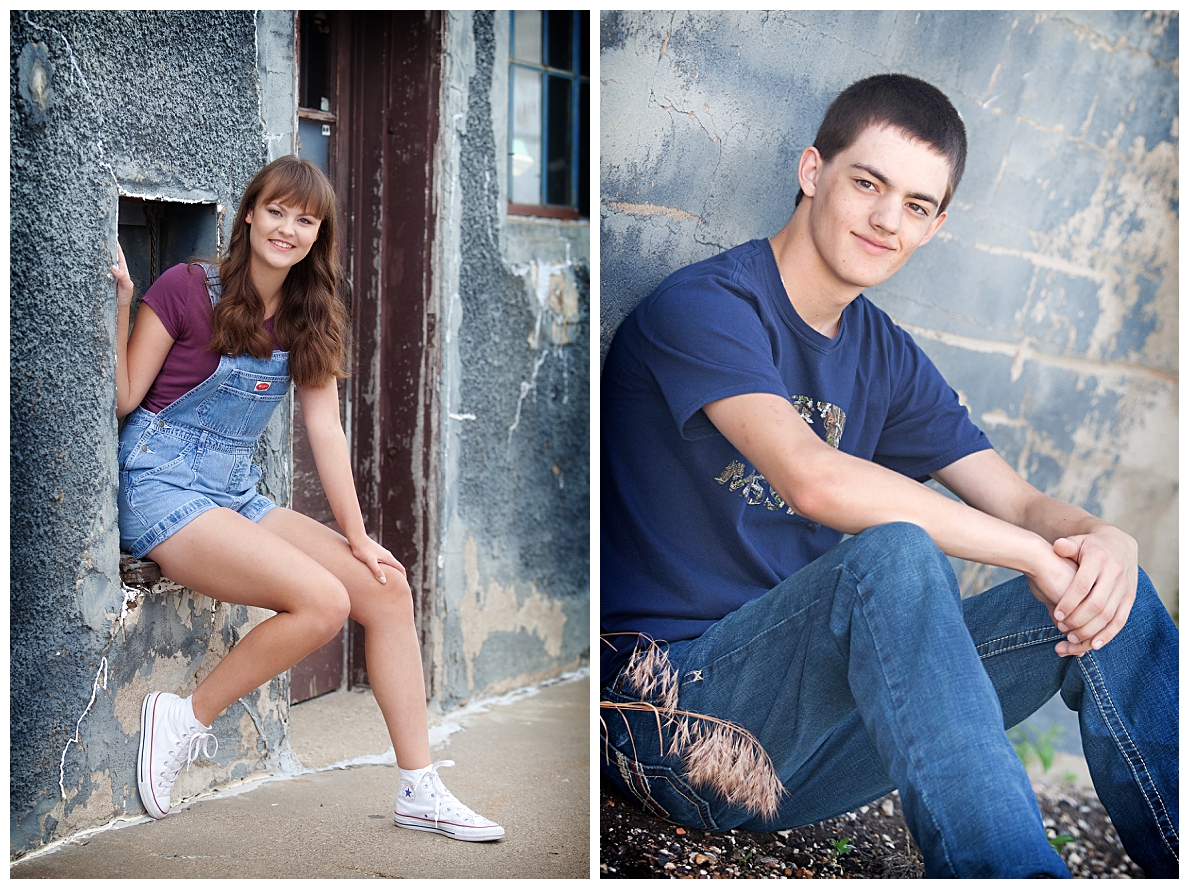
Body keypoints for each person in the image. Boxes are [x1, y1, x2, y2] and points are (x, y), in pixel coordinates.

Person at [599, 74, 1177, 877]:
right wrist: (1031, 555)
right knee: (891, 556)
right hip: (671, 720)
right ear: (812, 172)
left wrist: (1094, 538)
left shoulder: (886, 355)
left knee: (1110, 588)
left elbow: (1014, 498)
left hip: (799, 751)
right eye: (866, 183)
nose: (883, 220)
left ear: (934, 226)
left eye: (913, 205)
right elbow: (814, 479)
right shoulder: (706, 307)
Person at [113, 155, 503, 841]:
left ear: (317, 234)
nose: (286, 228)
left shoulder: (309, 314)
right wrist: (122, 304)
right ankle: (185, 716)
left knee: (385, 588)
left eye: (305, 218)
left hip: (233, 490)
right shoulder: (184, 288)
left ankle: (419, 787)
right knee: (323, 602)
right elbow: (124, 397)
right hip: (162, 483)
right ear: (248, 213)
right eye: (276, 210)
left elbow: (325, 428)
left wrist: (357, 537)